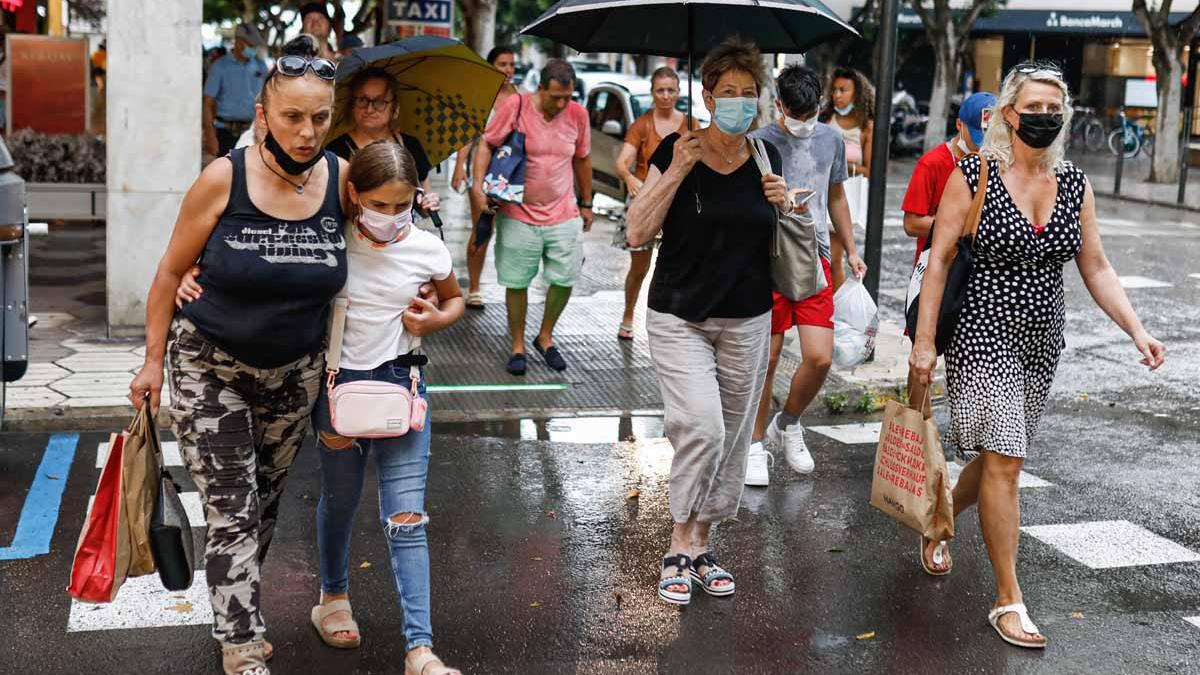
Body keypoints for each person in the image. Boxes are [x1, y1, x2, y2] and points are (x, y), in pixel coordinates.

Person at [910, 62, 1165, 650]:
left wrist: (1137, 329)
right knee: (1006, 463)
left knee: (1004, 459)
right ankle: (1007, 599)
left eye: (1056, 109)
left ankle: (938, 514)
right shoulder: (972, 176)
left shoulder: (1074, 183)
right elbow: (941, 260)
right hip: (981, 334)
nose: (1045, 118)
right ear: (1007, 114)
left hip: (1040, 341)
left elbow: (1094, 264)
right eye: (1034, 109)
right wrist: (925, 344)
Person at [129, 37, 343, 675]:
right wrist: (149, 363)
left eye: (321, 117)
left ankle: (236, 608)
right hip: (209, 367)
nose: (308, 132)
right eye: (293, 117)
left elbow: (389, 235)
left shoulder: (341, 181)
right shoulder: (225, 177)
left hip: (295, 375)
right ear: (262, 113)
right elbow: (169, 274)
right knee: (232, 510)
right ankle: (243, 646)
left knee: (265, 505)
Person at [626, 37, 789, 606]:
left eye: (749, 94)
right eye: (729, 93)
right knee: (703, 426)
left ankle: (701, 542)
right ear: (708, 95)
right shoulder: (676, 147)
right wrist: (678, 169)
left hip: (747, 316)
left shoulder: (768, 157)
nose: (740, 103)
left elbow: (789, 235)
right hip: (680, 315)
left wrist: (784, 204)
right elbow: (636, 232)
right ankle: (677, 540)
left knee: (736, 437)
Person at [745, 64, 868, 486]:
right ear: (778, 106)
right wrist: (779, 202)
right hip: (769, 259)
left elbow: (836, 197)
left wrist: (851, 250)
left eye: (809, 113)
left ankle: (789, 421)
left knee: (820, 356)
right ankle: (755, 444)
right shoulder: (759, 142)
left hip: (813, 258)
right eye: (795, 115)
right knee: (769, 358)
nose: (803, 122)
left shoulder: (831, 138)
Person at [471, 59, 593, 375]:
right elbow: (487, 142)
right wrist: (477, 186)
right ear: (541, 88)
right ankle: (517, 345)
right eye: (556, 97)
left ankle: (545, 335)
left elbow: (582, 158)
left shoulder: (577, 114)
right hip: (517, 211)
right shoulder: (517, 105)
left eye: (568, 96)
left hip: (563, 211)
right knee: (517, 281)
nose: (562, 103)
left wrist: (587, 202)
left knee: (565, 279)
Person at [611, 66, 696, 341]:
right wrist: (630, 178)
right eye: (660, 90)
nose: (666, 95)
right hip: (648, 202)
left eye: (671, 90)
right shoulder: (642, 124)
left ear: (679, 93)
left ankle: (681, 318)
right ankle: (627, 314)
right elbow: (622, 162)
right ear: (652, 93)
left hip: (680, 204)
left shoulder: (690, 125)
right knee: (639, 267)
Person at [452, 44, 519, 310]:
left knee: (513, 231)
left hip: (513, 175)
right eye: (503, 64)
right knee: (482, 228)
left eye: (512, 65)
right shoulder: (482, 96)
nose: (508, 70)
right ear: (491, 66)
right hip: (484, 172)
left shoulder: (519, 96)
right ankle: (475, 288)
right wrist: (460, 166)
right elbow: (468, 135)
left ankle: (513, 288)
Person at [324, 67, 441, 216]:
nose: (370, 109)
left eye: (379, 102)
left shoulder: (410, 145)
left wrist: (427, 205)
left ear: (395, 107)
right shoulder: (336, 150)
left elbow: (421, 195)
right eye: (362, 100)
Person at [819, 67, 873, 291]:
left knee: (833, 258)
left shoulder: (866, 126)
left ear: (857, 93)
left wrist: (841, 164)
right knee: (818, 260)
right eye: (835, 90)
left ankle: (834, 308)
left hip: (843, 197)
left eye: (843, 90)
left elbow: (871, 169)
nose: (837, 95)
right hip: (818, 194)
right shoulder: (825, 119)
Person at [204, 22, 268, 158]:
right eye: (251, 45)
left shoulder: (260, 66)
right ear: (239, 41)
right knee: (226, 175)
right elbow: (208, 102)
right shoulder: (220, 66)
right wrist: (210, 135)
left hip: (253, 131)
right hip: (225, 133)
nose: (253, 49)